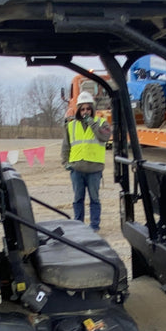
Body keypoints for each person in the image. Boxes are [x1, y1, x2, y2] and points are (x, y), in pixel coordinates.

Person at [61, 91, 112, 231]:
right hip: (77, 169)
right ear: (78, 110)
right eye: (82, 109)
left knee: (94, 199)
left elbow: (104, 137)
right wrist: (65, 162)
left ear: (92, 109)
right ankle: (78, 226)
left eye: (88, 109)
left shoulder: (101, 123)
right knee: (78, 198)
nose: (85, 112)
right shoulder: (71, 125)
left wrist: (92, 123)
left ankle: (94, 226)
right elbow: (66, 146)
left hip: (94, 169)